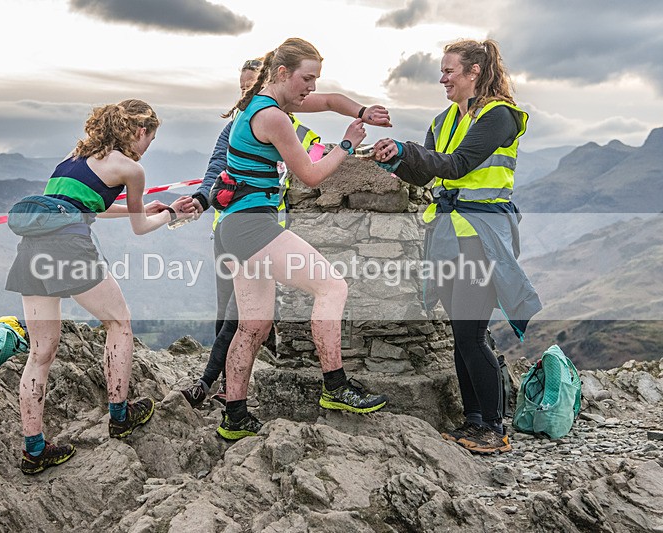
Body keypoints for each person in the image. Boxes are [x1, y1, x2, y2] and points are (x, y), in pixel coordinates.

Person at [182, 58, 392, 408]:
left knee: (253, 326)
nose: (311, 87)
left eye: (315, 79)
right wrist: (348, 144)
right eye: (306, 78)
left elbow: (329, 100)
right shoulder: (274, 118)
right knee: (332, 286)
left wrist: (363, 110)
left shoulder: (259, 105)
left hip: (235, 227)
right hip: (254, 226)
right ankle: (336, 387)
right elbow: (310, 176)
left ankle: (235, 415)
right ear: (282, 73)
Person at [5, 99, 196, 474]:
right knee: (119, 322)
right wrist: (172, 213)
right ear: (140, 132)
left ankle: (34, 450)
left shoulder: (73, 157)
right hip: (69, 247)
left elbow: (84, 204)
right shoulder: (131, 167)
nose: (148, 148)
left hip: (31, 247)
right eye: (150, 139)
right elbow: (140, 229)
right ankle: (120, 415)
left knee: (41, 352)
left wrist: (139, 208)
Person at [372, 39, 542, 454]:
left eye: (450, 70)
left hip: (481, 236)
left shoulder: (499, 116)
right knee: (462, 333)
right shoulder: (444, 119)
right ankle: (475, 420)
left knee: (470, 333)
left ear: (475, 72)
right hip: (448, 235)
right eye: (442, 71)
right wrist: (395, 160)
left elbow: (460, 164)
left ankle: (494, 427)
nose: (442, 78)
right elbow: (429, 176)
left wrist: (408, 150)